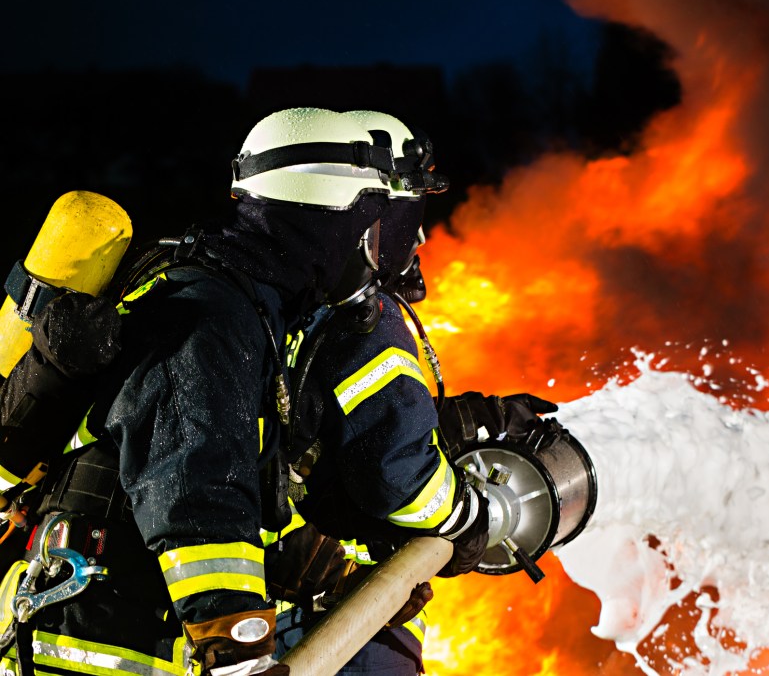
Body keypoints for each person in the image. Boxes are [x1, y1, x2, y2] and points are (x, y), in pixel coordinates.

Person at [0, 107, 408, 676]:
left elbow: (237, 467)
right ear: (336, 215)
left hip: (121, 631)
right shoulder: (208, 315)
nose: (396, 252)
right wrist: (236, 643)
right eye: (387, 224)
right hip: (94, 646)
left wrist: (317, 561)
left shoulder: (258, 310)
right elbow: (194, 485)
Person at [267, 111, 557, 675]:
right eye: (402, 216)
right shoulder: (358, 319)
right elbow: (395, 475)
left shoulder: (267, 310)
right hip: (333, 619)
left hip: (292, 609)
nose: (418, 236)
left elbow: (330, 428)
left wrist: (472, 417)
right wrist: (473, 517)